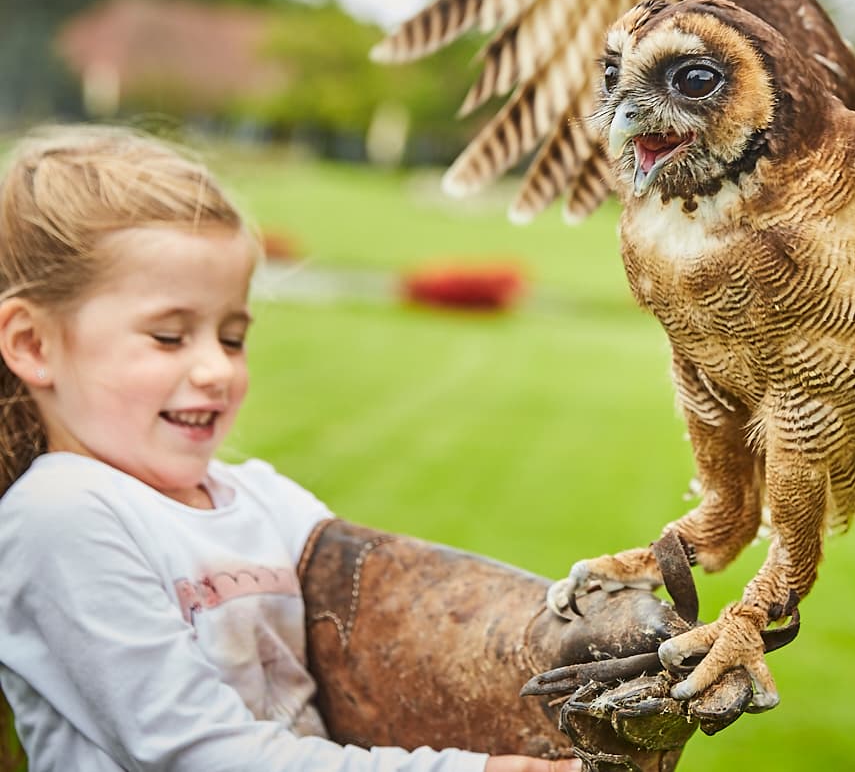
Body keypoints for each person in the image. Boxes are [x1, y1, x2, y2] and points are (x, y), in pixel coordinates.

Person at [0, 126, 580, 772]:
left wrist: (562, 627)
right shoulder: (61, 515)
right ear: (32, 344)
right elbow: (198, 753)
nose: (216, 369)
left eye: (232, 336)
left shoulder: (260, 495)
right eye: (169, 336)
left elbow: (399, 603)